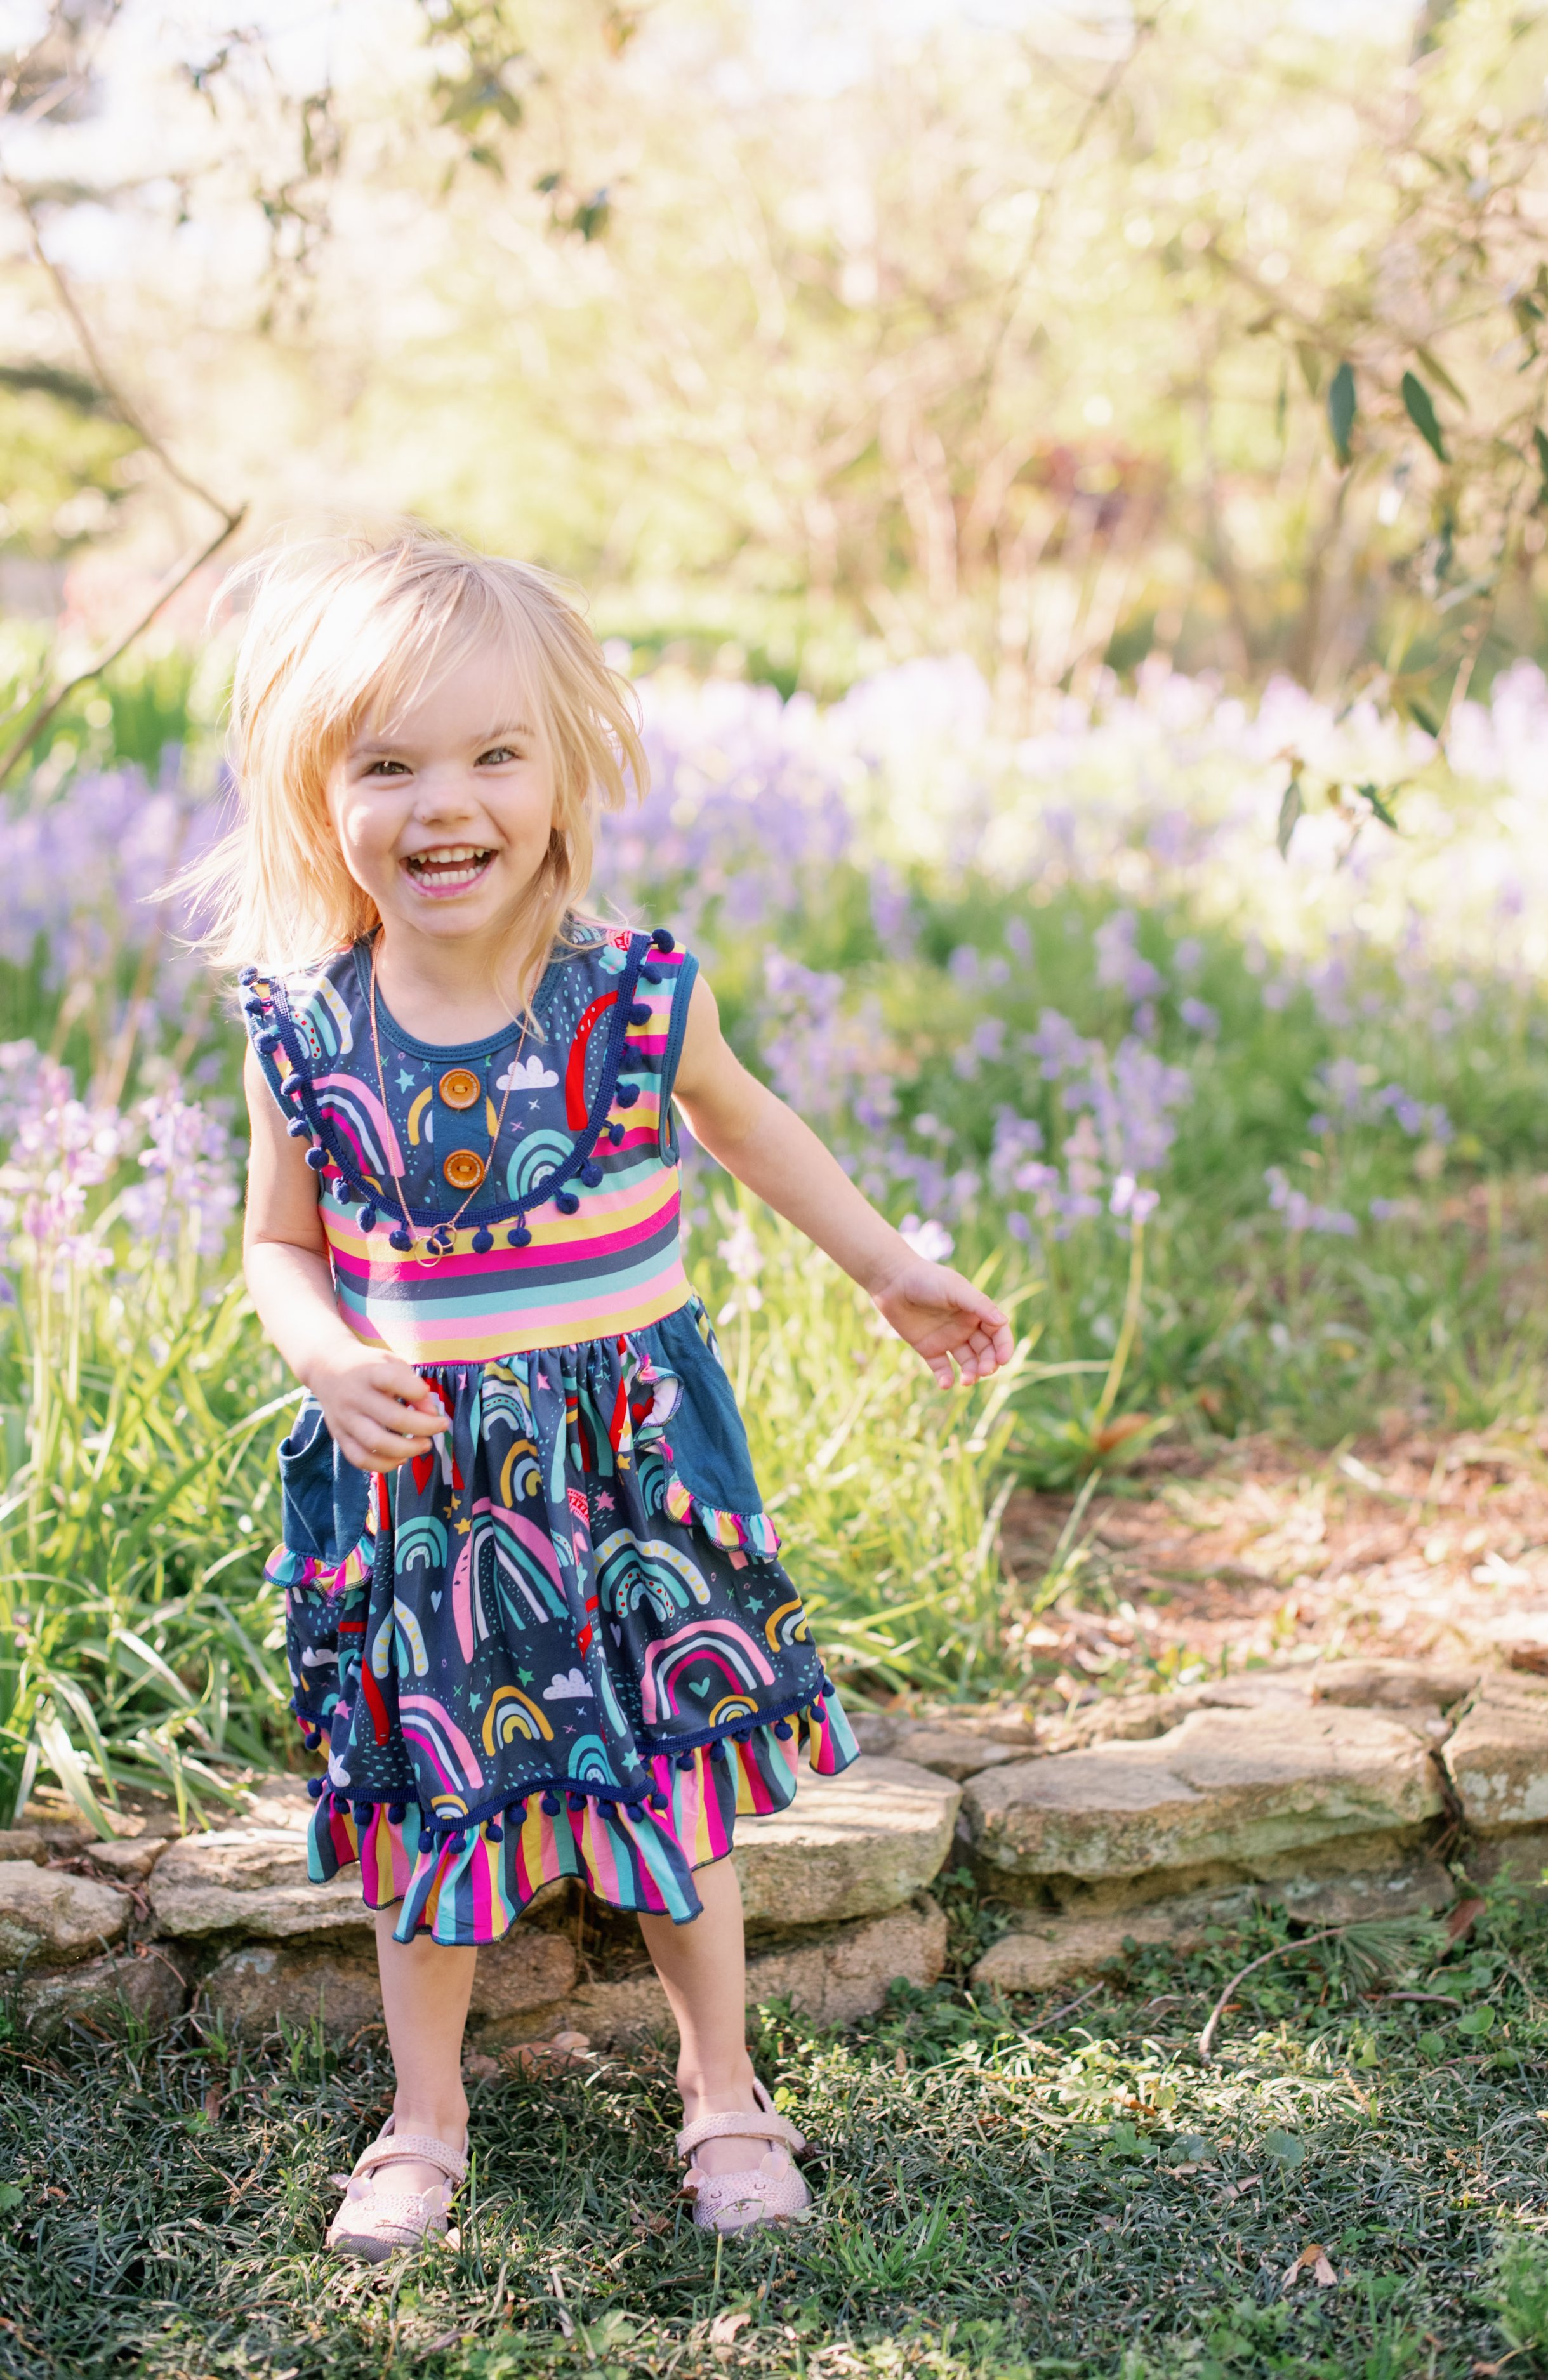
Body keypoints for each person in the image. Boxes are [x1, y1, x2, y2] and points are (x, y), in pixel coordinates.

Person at [209, 527, 1014, 2259]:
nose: (446, 803)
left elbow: (748, 1123)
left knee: (668, 1783)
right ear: (315, 792)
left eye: (494, 753)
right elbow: (278, 1246)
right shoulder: (305, 1028)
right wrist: (324, 1351)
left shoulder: (639, 997)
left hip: (629, 1477)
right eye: (389, 763)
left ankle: (722, 2089)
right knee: (436, 1797)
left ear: (567, 772)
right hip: (425, 1489)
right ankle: (422, 2117)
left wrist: (885, 1263)